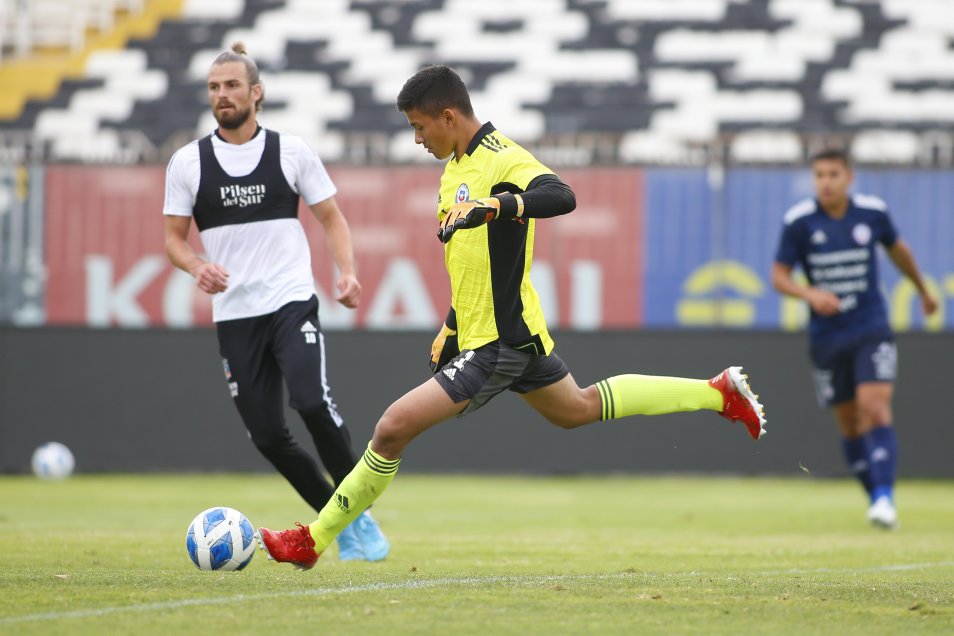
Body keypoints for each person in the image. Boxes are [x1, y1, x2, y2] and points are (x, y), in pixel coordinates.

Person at [256, 64, 766, 569]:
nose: (416, 139)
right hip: (497, 335)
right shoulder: (454, 169)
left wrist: (498, 206)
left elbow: (562, 196)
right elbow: (472, 262)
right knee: (578, 408)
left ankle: (314, 539)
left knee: (391, 428)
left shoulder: (502, 157)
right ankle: (716, 392)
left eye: (419, 126)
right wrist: (453, 323)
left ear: (448, 116)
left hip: (498, 343)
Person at [162, 42, 388, 561]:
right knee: (267, 435)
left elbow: (332, 218)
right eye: (215, 87)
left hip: (290, 300)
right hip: (235, 314)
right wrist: (197, 265)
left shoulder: (291, 151)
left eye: (232, 86)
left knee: (311, 401)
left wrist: (348, 273)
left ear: (256, 93)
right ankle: (342, 518)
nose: (222, 95)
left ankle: (353, 512)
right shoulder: (187, 163)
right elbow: (174, 240)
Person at [771, 148, 938, 529]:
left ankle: (884, 498)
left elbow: (900, 252)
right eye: (819, 175)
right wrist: (809, 294)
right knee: (848, 423)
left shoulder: (872, 213)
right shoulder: (798, 221)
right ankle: (877, 497)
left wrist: (923, 291)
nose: (825, 182)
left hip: (870, 327)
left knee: (874, 406)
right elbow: (778, 276)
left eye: (833, 174)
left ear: (849, 177)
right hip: (827, 336)